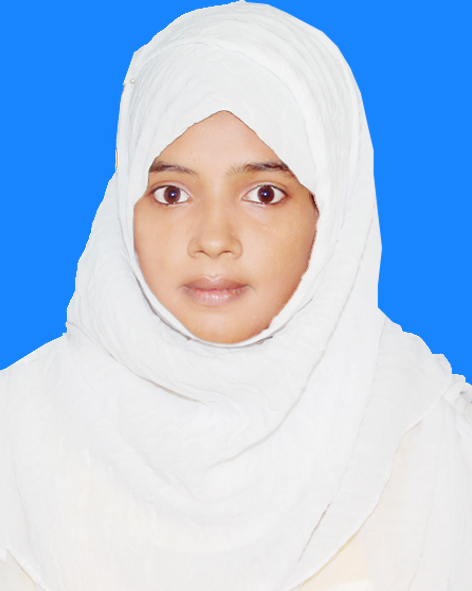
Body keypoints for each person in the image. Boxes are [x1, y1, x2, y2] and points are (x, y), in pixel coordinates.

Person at [1, 2, 471, 590]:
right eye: (171, 193)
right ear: (126, 206)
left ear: (331, 211)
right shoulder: (16, 433)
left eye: (265, 194)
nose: (214, 239)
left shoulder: (432, 438)